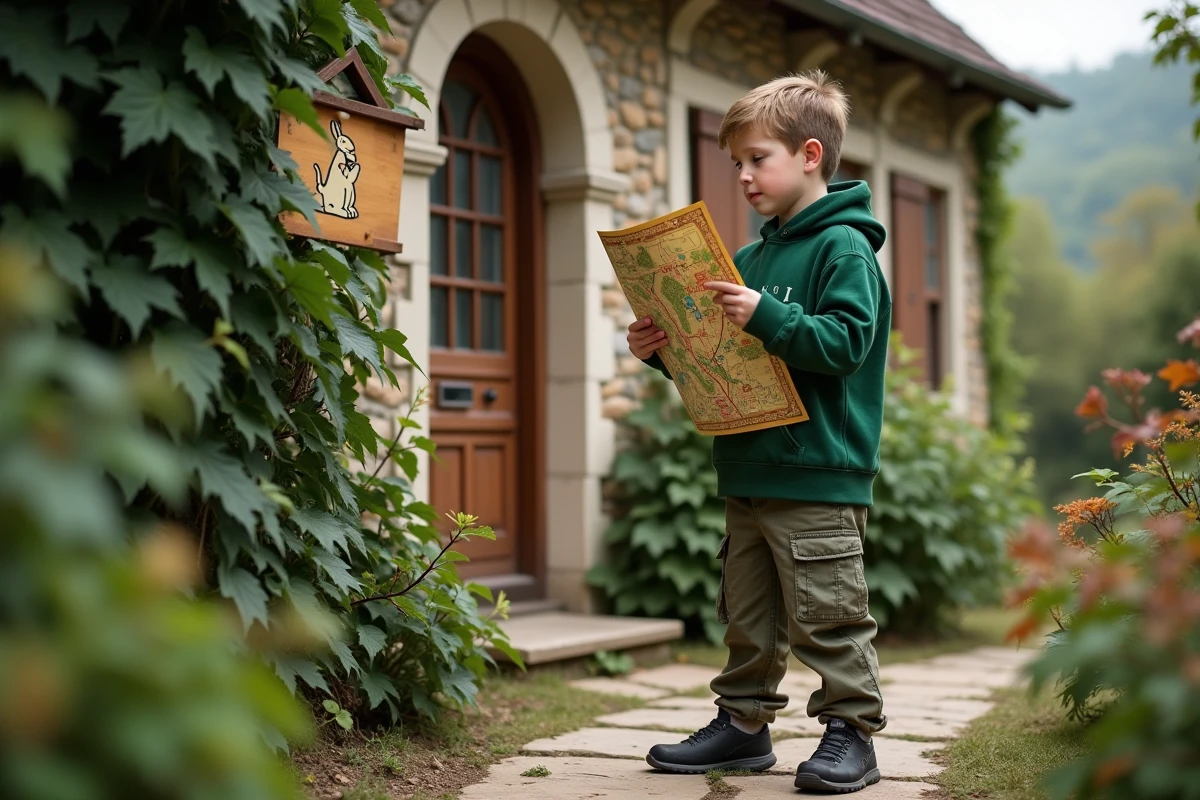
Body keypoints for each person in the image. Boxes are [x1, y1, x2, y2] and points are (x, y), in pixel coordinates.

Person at [626, 71, 891, 794]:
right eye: (735, 162)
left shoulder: (844, 249)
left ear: (810, 154)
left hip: (817, 470)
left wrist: (766, 317)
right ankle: (742, 728)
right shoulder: (745, 261)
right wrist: (664, 352)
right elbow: (722, 368)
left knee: (828, 612)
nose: (742, 175)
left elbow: (845, 345)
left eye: (756, 159)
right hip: (748, 468)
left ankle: (852, 733)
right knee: (747, 613)